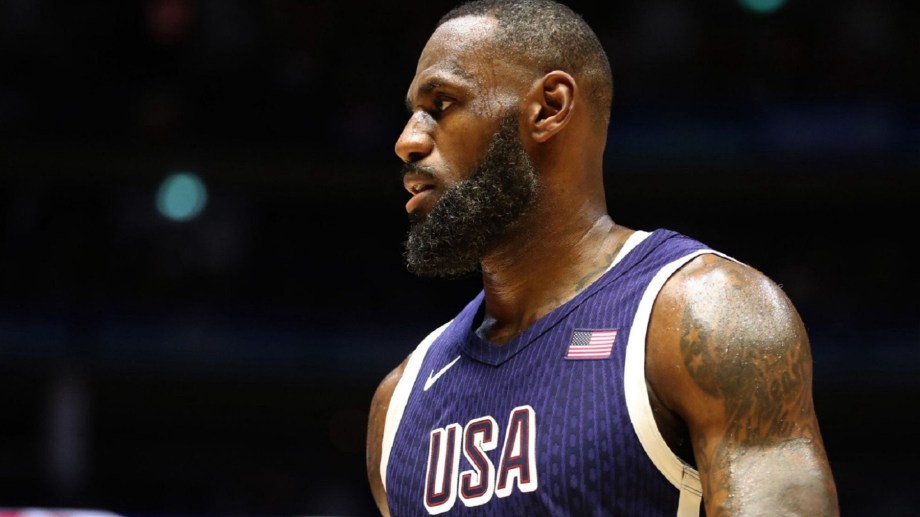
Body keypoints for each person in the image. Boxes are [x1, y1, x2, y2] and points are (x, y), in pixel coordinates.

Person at [366, 0, 839, 515]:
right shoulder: (399, 404)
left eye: (441, 104)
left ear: (549, 107)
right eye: (412, 114)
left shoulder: (706, 314)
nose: (407, 142)